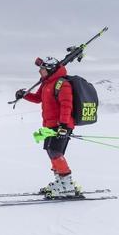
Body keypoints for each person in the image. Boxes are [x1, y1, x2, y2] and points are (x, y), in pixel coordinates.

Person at [15, 57, 79, 197]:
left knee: (55, 152)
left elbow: (66, 105)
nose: (40, 72)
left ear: (50, 69)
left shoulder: (62, 84)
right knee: (51, 152)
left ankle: (67, 185)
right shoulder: (46, 84)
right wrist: (24, 95)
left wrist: (63, 125)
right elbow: (38, 99)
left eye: (42, 70)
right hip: (49, 125)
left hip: (62, 124)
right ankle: (60, 182)